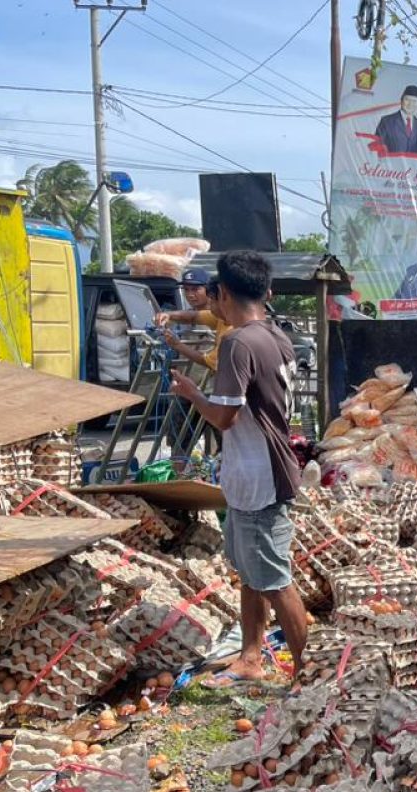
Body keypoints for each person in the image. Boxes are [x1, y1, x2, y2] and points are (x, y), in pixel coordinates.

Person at [170, 250, 307, 686]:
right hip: (260, 471)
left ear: (223, 292)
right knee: (252, 573)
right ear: (266, 292)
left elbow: (225, 416)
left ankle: (307, 674)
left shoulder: (237, 342)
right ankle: (250, 656)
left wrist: (192, 393)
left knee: (274, 579)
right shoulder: (274, 336)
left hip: (258, 477)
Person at [153, 268, 231, 371]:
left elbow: (208, 361)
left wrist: (177, 345)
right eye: (186, 289)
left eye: (195, 289)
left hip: (208, 381)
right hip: (186, 377)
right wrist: (167, 315)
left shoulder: (224, 322)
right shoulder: (186, 317)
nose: (190, 294)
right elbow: (191, 316)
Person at [374, 85, 417, 155]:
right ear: (401, 100)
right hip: (390, 165)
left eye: (414, 101)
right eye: (407, 100)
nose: (410, 104)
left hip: (412, 165)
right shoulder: (387, 121)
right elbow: (376, 146)